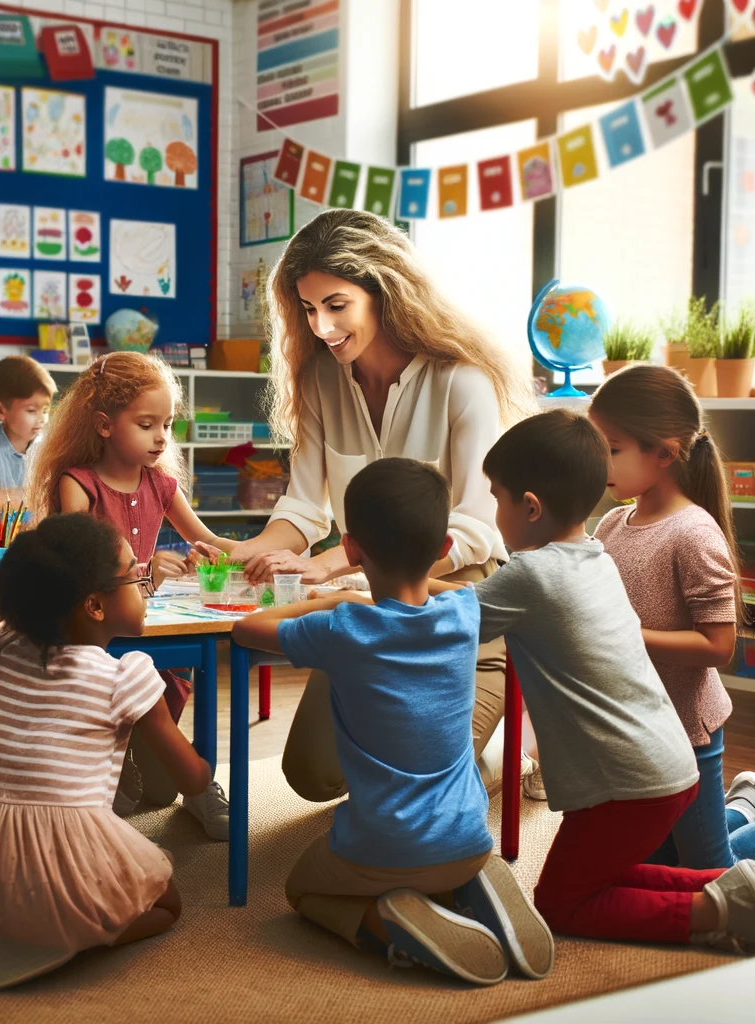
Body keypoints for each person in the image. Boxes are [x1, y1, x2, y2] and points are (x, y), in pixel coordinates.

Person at [225, 209, 535, 804]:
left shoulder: (460, 378)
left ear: (384, 291)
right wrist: (239, 552)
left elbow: (473, 525)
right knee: (313, 778)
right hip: (370, 602)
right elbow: (303, 509)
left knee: (420, 790)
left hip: (455, 606)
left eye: (337, 305)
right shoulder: (319, 378)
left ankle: (507, 757)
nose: (321, 326)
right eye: (309, 309)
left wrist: (336, 563)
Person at [437, 409, 755, 950]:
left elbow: (434, 623)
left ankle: (716, 913)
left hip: (628, 785)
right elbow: (460, 605)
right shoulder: (593, 554)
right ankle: (726, 889)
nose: (494, 512)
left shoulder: (531, 574)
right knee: (598, 880)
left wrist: (351, 595)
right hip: (663, 767)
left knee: (560, 903)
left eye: (496, 497)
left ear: (530, 507)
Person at [233, 458, 553, 986]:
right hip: (471, 837)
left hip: (384, 846)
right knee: (443, 858)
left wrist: (342, 595)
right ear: (444, 549)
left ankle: (389, 921)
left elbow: (248, 628)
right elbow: (463, 593)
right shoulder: (465, 614)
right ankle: (470, 887)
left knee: (302, 890)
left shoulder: (343, 627)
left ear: (352, 548)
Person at [0, 514, 212, 992]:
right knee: (168, 904)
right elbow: (192, 782)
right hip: (66, 862)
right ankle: (73, 935)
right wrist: (204, 764)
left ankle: (23, 923)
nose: (144, 583)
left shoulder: (11, 647)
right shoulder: (126, 676)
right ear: (94, 605)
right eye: (135, 575)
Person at [26, 351, 236, 838]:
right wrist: (146, 571)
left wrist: (268, 555)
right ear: (103, 425)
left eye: (166, 423)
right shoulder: (77, 484)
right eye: (146, 424)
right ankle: (121, 763)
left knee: (158, 790)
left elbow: (211, 540)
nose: (162, 437)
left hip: (147, 628)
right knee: (130, 788)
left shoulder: (161, 483)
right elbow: (74, 568)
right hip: (95, 634)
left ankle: (184, 784)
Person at [590, 365, 755, 866]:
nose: (600, 463)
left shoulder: (693, 532)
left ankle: (747, 810)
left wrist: (629, 635)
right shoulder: (613, 522)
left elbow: (719, 647)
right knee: (657, 858)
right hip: (636, 727)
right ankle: (743, 805)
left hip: (686, 730)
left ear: (663, 453)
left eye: (612, 449)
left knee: (709, 872)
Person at [0, 355, 56, 497]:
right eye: (31, 410)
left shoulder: (50, 444)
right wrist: (31, 497)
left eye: (45, 410)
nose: (42, 419)